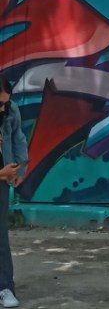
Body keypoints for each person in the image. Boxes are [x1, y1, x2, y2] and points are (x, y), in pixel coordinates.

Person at [0, 74, 27, 309]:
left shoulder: (10, 110)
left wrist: (19, 168)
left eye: (5, 103)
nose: (3, 108)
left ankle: (5, 287)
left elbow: (18, 138)